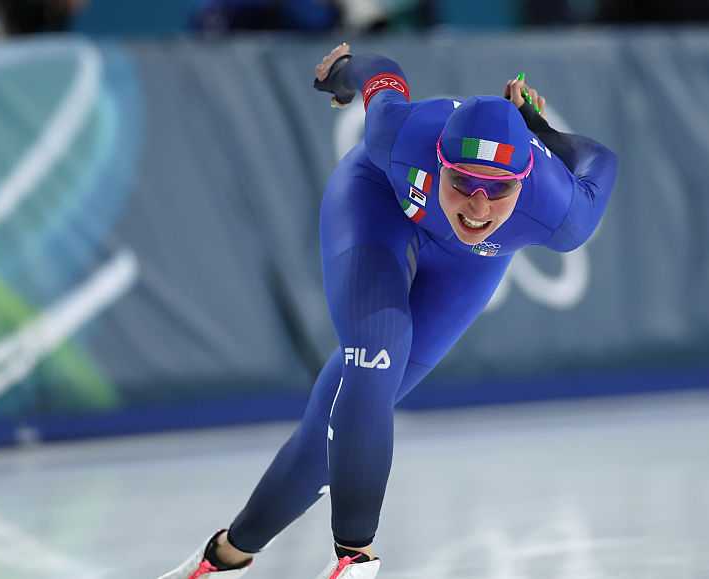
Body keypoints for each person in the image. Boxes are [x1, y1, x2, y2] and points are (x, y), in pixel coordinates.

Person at [159, 41, 618, 579]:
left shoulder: (560, 212)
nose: (476, 207)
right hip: (377, 211)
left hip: (468, 267)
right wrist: (344, 73)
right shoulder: (402, 135)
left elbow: (600, 161)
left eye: (496, 191)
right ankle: (356, 558)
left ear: (523, 181)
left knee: (333, 421)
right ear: (438, 161)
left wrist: (543, 130)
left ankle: (222, 558)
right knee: (377, 356)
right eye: (463, 183)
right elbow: (384, 77)